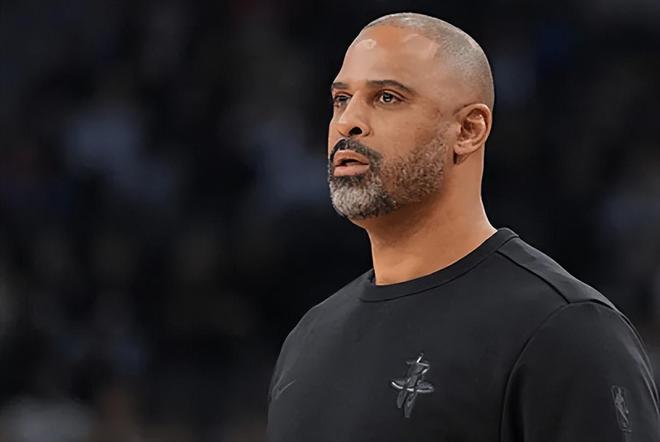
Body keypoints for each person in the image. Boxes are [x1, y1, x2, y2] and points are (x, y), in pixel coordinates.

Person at [266, 12, 660, 442]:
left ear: (469, 130)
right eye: (341, 99)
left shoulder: (565, 330)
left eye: (387, 97)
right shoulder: (309, 338)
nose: (348, 122)